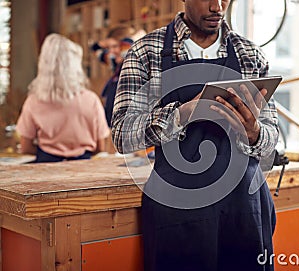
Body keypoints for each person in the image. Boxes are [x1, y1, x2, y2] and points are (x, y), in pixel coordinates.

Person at [112, 0, 279, 270]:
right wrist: (183, 113)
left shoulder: (250, 54)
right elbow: (121, 134)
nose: (218, 6)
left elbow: (272, 136)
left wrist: (254, 132)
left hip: (245, 208)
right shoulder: (145, 52)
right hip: (177, 208)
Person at [16, 33, 110, 163]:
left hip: (46, 168)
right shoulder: (91, 100)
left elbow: (25, 147)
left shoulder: (33, 101)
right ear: (75, 66)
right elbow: (101, 147)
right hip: (84, 169)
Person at [91, 25, 146, 127]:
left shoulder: (134, 64)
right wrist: (106, 42)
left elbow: (128, 51)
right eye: (109, 47)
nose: (111, 51)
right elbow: (95, 48)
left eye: (116, 46)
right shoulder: (114, 62)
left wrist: (131, 39)